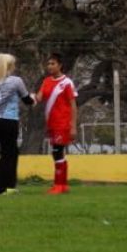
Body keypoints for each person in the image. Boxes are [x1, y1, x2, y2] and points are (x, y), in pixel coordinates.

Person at [0, 53, 36, 195]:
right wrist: (34, 98)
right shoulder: (16, 81)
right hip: (9, 120)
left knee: (3, 153)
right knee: (10, 154)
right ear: (9, 66)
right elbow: (26, 99)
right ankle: (7, 187)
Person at [35, 53, 78, 195]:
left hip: (62, 122)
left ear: (60, 65)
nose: (50, 66)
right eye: (48, 64)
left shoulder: (67, 83)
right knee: (58, 153)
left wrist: (73, 126)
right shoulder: (46, 81)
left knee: (57, 152)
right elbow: (39, 97)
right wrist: (29, 97)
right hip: (51, 123)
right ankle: (63, 185)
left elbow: (73, 105)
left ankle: (58, 185)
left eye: (53, 63)